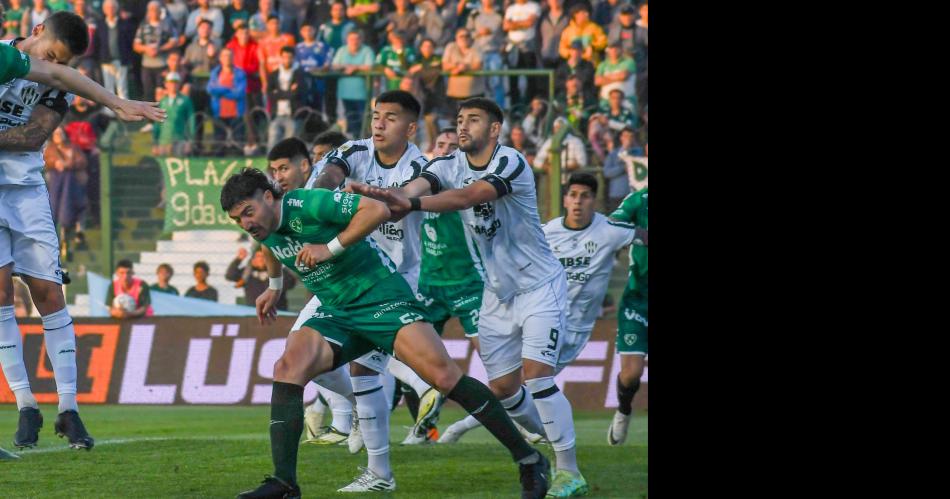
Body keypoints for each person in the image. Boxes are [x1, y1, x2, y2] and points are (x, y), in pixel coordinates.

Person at [221, 168, 550, 498]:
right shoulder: (264, 226)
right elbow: (272, 245)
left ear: (269, 197)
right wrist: (274, 286)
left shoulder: (308, 204)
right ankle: (284, 484)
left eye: (248, 212)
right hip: (337, 309)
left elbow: (376, 209)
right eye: (237, 219)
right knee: (287, 367)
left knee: (444, 377)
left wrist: (329, 248)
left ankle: (530, 460)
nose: (246, 223)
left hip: (380, 296)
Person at [349, 97, 588, 497]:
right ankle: (544, 445)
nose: (463, 126)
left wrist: (410, 203)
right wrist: (389, 196)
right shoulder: (448, 164)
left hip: (539, 286)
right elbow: (415, 186)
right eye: (460, 119)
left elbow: (467, 197)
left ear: (494, 129)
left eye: (473, 120)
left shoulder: (510, 161)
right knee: (505, 389)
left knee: (537, 376)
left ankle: (570, 470)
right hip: (495, 292)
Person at [2, 11, 165, 452]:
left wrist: (117, 103)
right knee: (0, 293)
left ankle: (68, 408)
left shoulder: (57, 80)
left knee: (48, 293)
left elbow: (32, 136)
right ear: (36, 32)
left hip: (25, 188)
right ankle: (25, 405)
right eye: (53, 56)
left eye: (63, 62)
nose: (55, 67)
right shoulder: (5, 57)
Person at [439, 173, 644, 451]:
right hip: (540, 315)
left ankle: (469, 429)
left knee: (518, 385)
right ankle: (526, 432)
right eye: (573, 195)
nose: (578, 202)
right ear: (565, 199)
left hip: (572, 330)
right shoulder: (546, 231)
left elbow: (641, 236)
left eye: (585, 196)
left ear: (594, 201)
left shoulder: (609, 231)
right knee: (510, 385)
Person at [307, 91, 447, 447]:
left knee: (364, 368)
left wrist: (356, 195)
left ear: (411, 128)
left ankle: (374, 454)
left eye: (390, 117)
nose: (379, 124)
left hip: (393, 279)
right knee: (301, 353)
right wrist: (325, 195)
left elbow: (393, 208)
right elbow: (329, 174)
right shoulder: (356, 150)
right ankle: (378, 405)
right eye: (375, 116)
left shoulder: (420, 168)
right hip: (348, 272)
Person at [606, 186, 648, 447]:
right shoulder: (638, 200)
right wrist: (632, 235)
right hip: (638, 297)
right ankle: (623, 411)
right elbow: (611, 225)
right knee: (632, 374)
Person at [43, 126, 88, 252]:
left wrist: (68, 165)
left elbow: (82, 161)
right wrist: (55, 163)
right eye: (56, 133)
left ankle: (68, 222)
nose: (58, 135)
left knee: (68, 178)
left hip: (72, 183)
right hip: (56, 183)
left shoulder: (73, 147)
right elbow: (45, 161)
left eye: (60, 133)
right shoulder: (50, 148)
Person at [133, 1, 180, 102]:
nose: (153, 12)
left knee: (162, 93)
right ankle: (148, 112)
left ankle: (162, 112)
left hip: (163, 65)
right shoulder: (143, 25)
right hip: (147, 66)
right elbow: (136, 45)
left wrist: (160, 49)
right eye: (151, 10)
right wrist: (146, 49)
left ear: (160, 11)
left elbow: (175, 41)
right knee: (148, 93)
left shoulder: (167, 24)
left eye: (155, 9)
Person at [330, 30, 374, 137]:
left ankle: (364, 139)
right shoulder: (342, 50)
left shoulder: (367, 50)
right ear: (347, 40)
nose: (354, 41)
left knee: (362, 117)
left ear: (361, 39)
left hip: (362, 92)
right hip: (345, 91)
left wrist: (355, 67)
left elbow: (370, 66)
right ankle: (354, 139)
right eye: (351, 39)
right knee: (349, 116)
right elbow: (334, 65)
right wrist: (346, 66)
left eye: (357, 39)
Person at [207, 46, 248, 156]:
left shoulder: (240, 73)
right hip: (219, 114)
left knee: (238, 147)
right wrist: (228, 89)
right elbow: (210, 89)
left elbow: (239, 93)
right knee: (218, 147)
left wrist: (220, 91)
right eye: (225, 56)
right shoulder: (215, 73)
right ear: (220, 58)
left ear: (233, 57)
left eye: (230, 55)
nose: (227, 58)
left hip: (236, 114)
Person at [226, 246, 295, 309]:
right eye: (258, 256)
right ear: (253, 260)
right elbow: (230, 275)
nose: (261, 259)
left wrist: (276, 266)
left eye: (264, 256)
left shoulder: (278, 272)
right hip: (253, 312)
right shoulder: (247, 273)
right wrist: (238, 259)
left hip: (278, 312)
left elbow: (290, 283)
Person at [265, 47, 304, 150]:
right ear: (281, 58)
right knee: (272, 143)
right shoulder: (274, 75)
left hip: (292, 115)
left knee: (289, 146)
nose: (287, 60)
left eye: (289, 57)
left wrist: (278, 93)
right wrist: (290, 92)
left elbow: (298, 94)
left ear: (293, 58)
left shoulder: (299, 74)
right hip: (277, 115)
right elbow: (270, 94)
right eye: (285, 57)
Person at [152, 71, 195, 156]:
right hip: (163, 141)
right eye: (171, 83)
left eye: (176, 83)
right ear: (166, 84)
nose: (173, 85)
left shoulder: (186, 101)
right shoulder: (162, 101)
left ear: (179, 84)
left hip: (180, 140)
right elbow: (157, 123)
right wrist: (155, 143)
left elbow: (191, 122)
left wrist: (190, 142)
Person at [602, 125, 643, 212]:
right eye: (626, 136)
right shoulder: (613, 154)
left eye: (631, 136)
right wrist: (622, 168)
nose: (628, 139)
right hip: (617, 195)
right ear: (621, 137)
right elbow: (607, 172)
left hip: (634, 195)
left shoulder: (639, 153)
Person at [534, 117, 587, 184]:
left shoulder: (576, 141)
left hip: (572, 181)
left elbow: (582, 163)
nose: (558, 130)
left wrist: (559, 168)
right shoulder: (550, 141)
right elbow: (537, 161)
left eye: (561, 127)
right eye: (556, 127)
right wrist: (548, 167)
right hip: (552, 182)